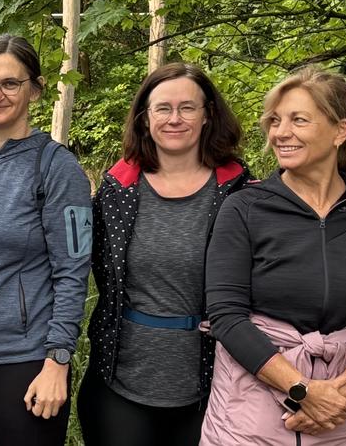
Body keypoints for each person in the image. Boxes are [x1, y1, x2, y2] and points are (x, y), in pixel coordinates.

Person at [203, 66, 346, 445]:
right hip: (249, 411)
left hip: (343, 410)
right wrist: (303, 391)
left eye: (298, 120)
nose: (280, 133)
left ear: (340, 131)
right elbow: (226, 315)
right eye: (275, 121)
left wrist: (340, 395)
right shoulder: (244, 208)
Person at [77, 63, 251, 446]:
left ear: (207, 115)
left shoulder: (241, 194)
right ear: (145, 117)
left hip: (214, 385)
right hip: (119, 382)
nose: (175, 119)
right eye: (163, 108)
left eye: (187, 108)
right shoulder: (116, 191)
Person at [0, 34, 91, 446]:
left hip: (25, 363)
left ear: (35, 89)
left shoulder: (57, 169)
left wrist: (58, 359)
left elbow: (73, 271)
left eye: (10, 83)